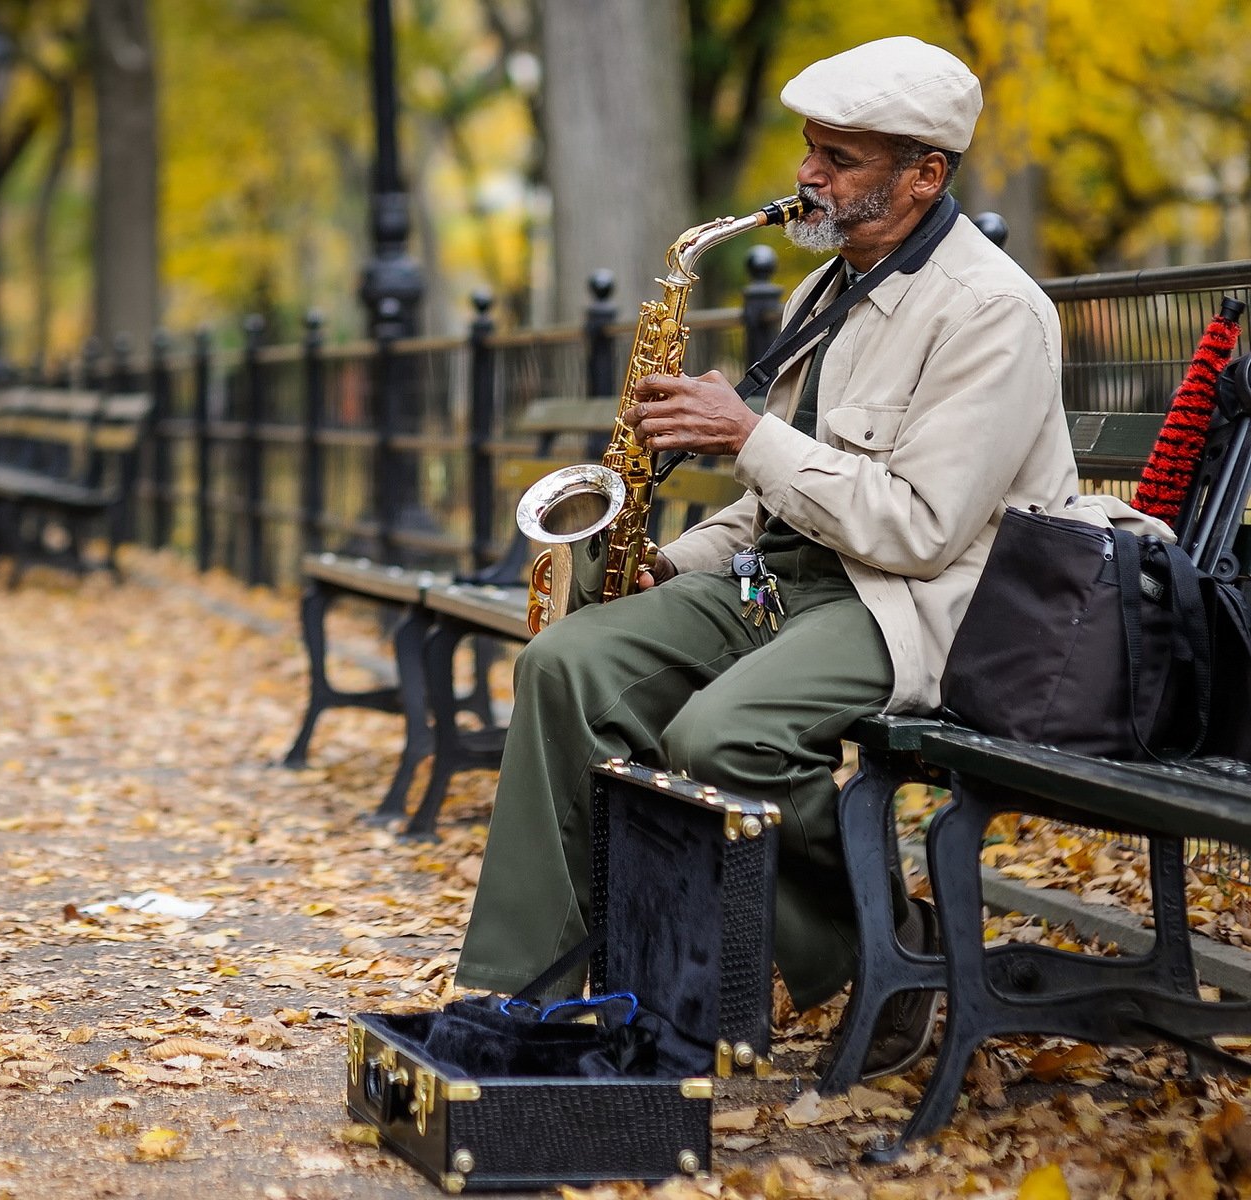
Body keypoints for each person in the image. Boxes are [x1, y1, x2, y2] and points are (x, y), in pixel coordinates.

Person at [455, 36, 1082, 1081]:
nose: (809, 176)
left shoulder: (995, 314)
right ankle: (539, 998)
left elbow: (919, 528)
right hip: (784, 580)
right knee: (567, 664)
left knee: (721, 736)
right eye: (809, 151)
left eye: (839, 158)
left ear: (925, 173)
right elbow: (764, 511)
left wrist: (748, 432)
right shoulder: (826, 292)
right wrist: (672, 563)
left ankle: (884, 945)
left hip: (909, 604)